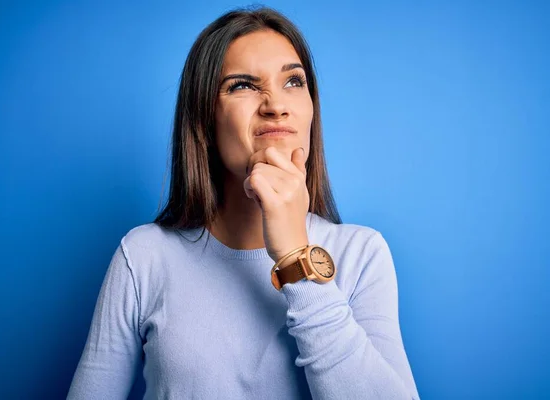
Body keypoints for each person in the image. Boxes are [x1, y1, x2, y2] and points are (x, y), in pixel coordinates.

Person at [67, 6, 420, 400]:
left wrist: (296, 257)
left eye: (293, 81)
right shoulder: (143, 256)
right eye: (243, 86)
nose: (275, 104)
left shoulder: (362, 254)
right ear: (204, 119)